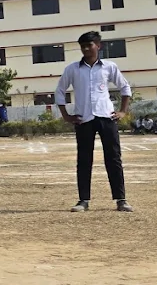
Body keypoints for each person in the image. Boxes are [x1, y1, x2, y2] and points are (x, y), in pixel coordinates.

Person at [55, 31, 133, 213]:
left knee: (113, 158)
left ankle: (121, 199)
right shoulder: (73, 69)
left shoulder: (109, 67)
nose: (86, 49)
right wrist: (66, 115)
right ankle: (83, 200)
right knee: (84, 160)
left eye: (89, 45)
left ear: (98, 46)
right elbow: (60, 91)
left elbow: (124, 87)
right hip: (83, 119)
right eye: (82, 46)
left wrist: (122, 111)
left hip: (106, 117)